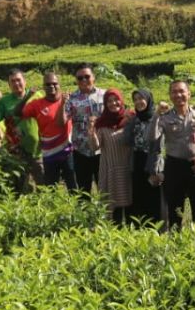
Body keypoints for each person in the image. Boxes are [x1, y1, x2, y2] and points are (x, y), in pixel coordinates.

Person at [148, 79, 195, 231]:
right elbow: (152, 137)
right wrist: (157, 114)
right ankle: (177, 246)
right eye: (174, 92)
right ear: (170, 95)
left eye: (182, 91)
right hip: (174, 167)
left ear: (189, 94)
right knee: (175, 211)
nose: (178, 95)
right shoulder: (165, 117)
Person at [22, 72, 76, 189]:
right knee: (51, 187)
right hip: (49, 154)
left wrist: (64, 102)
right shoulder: (36, 104)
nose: (51, 86)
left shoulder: (69, 100)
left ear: (59, 85)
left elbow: (62, 122)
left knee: (73, 186)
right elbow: (19, 112)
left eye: (54, 83)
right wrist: (27, 96)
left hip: (68, 151)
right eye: (48, 84)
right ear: (43, 86)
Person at [0, 69, 43, 190]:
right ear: (9, 85)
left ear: (25, 82)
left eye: (18, 80)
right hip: (16, 151)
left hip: (38, 150)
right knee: (19, 186)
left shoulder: (38, 96)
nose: (16, 84)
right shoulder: (4, 102)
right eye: (12, 81)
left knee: (43, 185)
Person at [87, 89, 133, 222]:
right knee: (115, 208)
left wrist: (133, 123)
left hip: (129, 169)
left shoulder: (130, 117)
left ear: (121, 100)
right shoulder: (101, 123)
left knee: (131, 206)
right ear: (105, 104)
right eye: (109, 101)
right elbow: (95, 147)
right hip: (111, 170)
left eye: (116, 99)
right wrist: (92, 133)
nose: (113, 103)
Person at [66, 63, 106, 192]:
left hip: (102, 150)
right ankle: (85, 213)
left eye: (87, 76)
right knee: (83, 190)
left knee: (104, 188)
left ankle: (104, 213)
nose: (84, 80)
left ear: (93, 77)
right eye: (80, 78)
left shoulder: (105, 96)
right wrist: (62, 101)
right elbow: (62, 120)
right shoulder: (71, 98)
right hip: (80, 150)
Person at [127, 88, 163, 225]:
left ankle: (155, 231)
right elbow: (127, 140)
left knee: (153, 199)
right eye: (135, 99)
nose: (138, 102)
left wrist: (156, 170)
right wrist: (127, 122)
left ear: (148, 99)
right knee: (138, 197)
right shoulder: (135, 119)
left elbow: (160, 146)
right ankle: (138, 232)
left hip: (152, 161)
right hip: (137, 161)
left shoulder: (158, 117)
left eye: (141, 98)